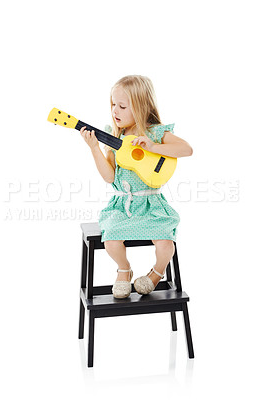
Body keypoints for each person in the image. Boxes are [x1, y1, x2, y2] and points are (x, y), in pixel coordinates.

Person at [79, 75, 193, 299]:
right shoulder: (114, 136)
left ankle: (155, 274)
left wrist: (152, 147)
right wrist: (94, 148)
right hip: (123, 205)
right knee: (111, 239)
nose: (115, 111)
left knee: (166, 244)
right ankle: (124, 269)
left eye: (122, 106)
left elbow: (186, 149)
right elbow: (109, 176)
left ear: (141, 106)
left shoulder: (156, 133)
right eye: (113, 104)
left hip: (152, 204)